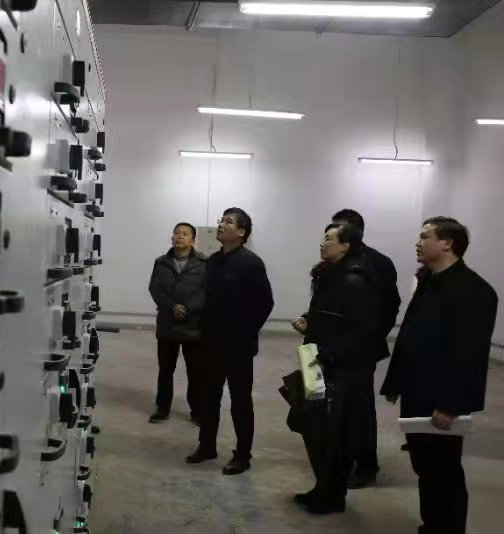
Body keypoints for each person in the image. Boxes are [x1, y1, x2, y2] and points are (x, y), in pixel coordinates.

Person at [381, 217, 498, 534]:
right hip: (416, 393)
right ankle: (433, 525)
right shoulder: (429, 281)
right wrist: (396, 381)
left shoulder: (474, 291)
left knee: (444, 470)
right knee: (425, 466)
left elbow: (470, 355)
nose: (417, 243)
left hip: (441, 401)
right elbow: (411, 334)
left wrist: (451, 404)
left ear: (447, 243)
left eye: (425, 236)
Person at [291, 222, 380, 515]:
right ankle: (322, 488)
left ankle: (332, 496)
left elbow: (360, 330)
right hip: (315, 358)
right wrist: (308, 320)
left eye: (329, 238)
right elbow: (326, 313)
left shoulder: (355, 281)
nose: (322, 243)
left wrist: (329, 355)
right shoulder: (329, 275)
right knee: (314, 426)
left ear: (345, 245)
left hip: (333, 365)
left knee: (334, 434)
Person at [186, 208, 274, 475]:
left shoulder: (251, 263)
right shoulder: (213, 261)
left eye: (229, 221)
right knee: (208, 397)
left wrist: (246, 331)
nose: (221, 225)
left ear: (242, 232)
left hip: (238, 346)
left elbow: (265, 303)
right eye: (222, 220)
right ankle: (206, 446)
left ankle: (243, 455)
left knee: (240, 401)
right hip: (211, 342)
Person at [330, 209, 401, 487]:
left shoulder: (378, 262)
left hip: (361, 349)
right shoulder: (335, 259)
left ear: (356, 232)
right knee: (337, 405)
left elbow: (390, 305)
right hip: (333, 349)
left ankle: (366, 464)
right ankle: (342, 458)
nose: (333, 234)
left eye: (339, 229)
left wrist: (372, 337)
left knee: (360, 406)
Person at [148, 222, 208, 424]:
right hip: (167, 325)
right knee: (165, 371)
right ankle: (162, 408)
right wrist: (172, 307)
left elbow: (206, 291)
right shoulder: (161, 262)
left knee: (196, 372)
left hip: (194, 326)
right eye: (176, 233)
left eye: (185, 233)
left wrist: (188, 308)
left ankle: (197, 411)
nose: (179, 236)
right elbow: (155, 289)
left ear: (193, 240)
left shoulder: (203, 262)